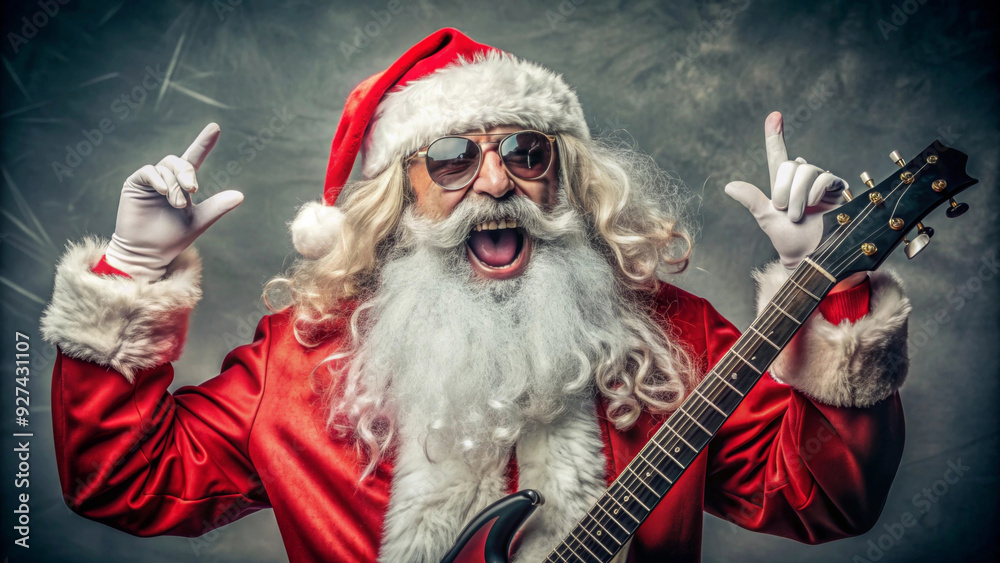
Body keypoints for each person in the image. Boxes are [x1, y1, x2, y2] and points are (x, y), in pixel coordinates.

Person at [41, 28, 910, 562]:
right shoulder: (301, 363)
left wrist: (828, 286)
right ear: (399, 194)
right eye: (453, 157)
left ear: (564, 177)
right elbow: (124, 480)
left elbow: (825, 495)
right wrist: (132, 272)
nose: (495, 181)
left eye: (527, 151)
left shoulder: (669, 339)